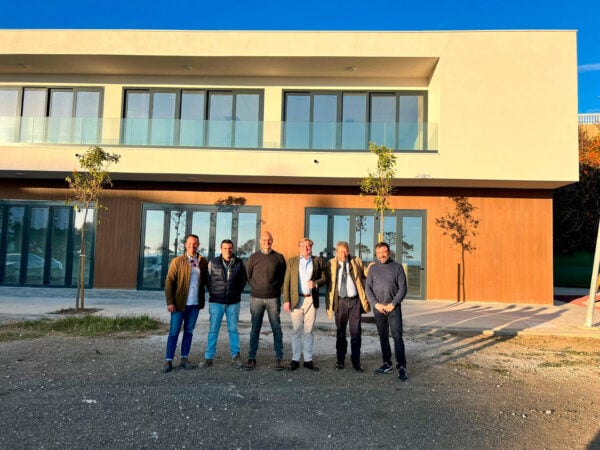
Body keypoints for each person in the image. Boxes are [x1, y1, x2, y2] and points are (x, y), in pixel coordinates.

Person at [161, 234, 209, 373]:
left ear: (198, 245)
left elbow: (207, 281)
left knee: (189, 331)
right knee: (174, 332)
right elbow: (169, 281)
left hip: (194, 304)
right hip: (178, 304)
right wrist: (170, 301)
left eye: (194, 244)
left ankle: (184, 358)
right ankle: (168, 360)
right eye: (189, 243)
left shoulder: (203, 262)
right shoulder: (177, 261)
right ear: (185, 244)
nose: (192, 246)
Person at [200, 239, 247, 369]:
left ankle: (236, 357)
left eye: (230, 248)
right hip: (216, 302)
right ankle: (209, 358)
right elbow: (207, 280)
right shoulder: (213, 263)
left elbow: (243, 280)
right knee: (213, 330)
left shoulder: (239, 263)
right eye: (225, 248)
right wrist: (214, 292)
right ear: (221, 249)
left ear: (233, 249)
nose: (228, 250)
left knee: (233, 330)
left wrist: (236, 292)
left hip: (233, 302)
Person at [365, 241, 409, 382]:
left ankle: (401, 366)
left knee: (397, 336)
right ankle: (387, 364)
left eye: (384, 252)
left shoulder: (397, 267)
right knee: (383, 336)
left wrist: (393, 304)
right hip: (379, 308)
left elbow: (403, 288)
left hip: (393, 308)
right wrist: (375, 304)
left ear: (389, 252)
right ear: (376, 254)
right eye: (379, 253)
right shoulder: (373, 269)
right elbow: (368, 288)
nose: (382, 255)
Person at [243, 231, 287, 371]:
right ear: (260, 241)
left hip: (273, 298)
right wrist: (257, 287)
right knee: (255, 329)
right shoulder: (253, 257)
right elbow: (248, 275)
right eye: (264, 240)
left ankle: (279, 358)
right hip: (256, 298)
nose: (266, 242)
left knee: (276, 328)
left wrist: (274, 288)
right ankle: (251, 358)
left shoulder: (279, 257)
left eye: (269, 240)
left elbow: (283, 277)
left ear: (272, 240)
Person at [282, 238, 327, 371]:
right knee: (296, 330)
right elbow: (286, 282)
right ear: (299, 247)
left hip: (311, 300)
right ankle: (295, 360)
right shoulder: (292, 261)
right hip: (296, 300)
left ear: (311, 247)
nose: (306, 248)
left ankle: (308, 360)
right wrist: (286, 300)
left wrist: (316, 283)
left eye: (309, 246)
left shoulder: (317, 261)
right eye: (304, 246)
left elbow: (324, 278)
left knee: (308, 331)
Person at [326, 241, 370, 372]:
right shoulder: (330, 264)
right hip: (340, 302)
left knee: (356, 333)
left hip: (355, 302)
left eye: (345, 251)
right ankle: (340, 360)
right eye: (340, 252)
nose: (343, 254)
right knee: (340, 332)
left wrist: (373, 266)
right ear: (336, 252)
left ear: (348, 251)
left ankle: (356, 362)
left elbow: (366, 273)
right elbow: (326, 280)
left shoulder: (356, 261)